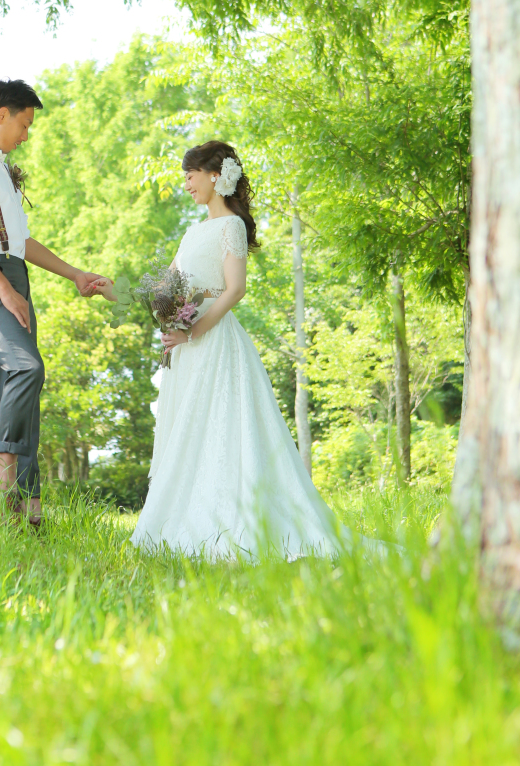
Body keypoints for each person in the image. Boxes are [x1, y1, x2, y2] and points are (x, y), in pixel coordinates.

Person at [96, 140, 349, 560]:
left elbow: (235, 290)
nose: (187, 185)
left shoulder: (230, 226)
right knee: (187, 432)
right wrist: (114, 292)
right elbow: (162, 290)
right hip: (186, 347)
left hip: (214, 344)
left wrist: (193, 332)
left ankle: (233, 522)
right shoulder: (193, 232)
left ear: (215, 175)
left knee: (222, 430)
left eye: (190, 176)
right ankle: (183, 519)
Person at [0, 79, 108, 526]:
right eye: (25, 125)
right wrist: (4, 290)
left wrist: (75, 274)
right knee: (27, 368)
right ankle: (6, 477)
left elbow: (20, 241)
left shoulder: (1, 170)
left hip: (13, 277)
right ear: (1, 116)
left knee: (23, 390)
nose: (26, 136)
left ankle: (29, 510)